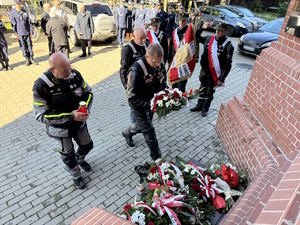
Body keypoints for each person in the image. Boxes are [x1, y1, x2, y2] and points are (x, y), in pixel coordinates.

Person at [32, 52, 94, 189]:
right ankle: (76, 176)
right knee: (68, 157)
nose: (69, 72)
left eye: (69, 67)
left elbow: (88, 92)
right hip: (60, 131)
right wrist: (71, 116)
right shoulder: (41, 86)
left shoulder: (75, 75)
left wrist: (86, 109)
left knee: (87, 145)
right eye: (64, 70)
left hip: (79, 124)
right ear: (53, 70)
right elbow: (41, 115)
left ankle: (80, 159)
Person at [122, 43, 164, 163]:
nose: (158, 65)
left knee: (143, 126)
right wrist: (149, 105)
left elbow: (161, 81)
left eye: (160, 62)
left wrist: (165, 94)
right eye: (155, 62)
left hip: (151, 101)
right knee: (149, 132)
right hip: (138, 105)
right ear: (147, 58)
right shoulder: (135, 71)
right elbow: (131, 98)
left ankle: (127, 132)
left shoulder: (158, 64)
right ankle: (158, 159)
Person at [190, 21, 234, 116]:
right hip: (204, 70)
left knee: (209, 92)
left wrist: (222, 78)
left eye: (220, 30)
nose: (217, 32)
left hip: (213, 73)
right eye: (217, 30)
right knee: (202, 89)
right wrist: (201, 28)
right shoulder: (209, 38)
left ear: (225, 31)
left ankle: (205, 109)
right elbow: (197, 38)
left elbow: (228, 65)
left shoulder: (228, 45)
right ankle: (199, 105)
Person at [120, 26, 147, 147]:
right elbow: (122, 71)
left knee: (145, 114)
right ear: (134, 37)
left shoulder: (146, 46)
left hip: (145, 88)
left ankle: (140, 129)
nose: (143, 40)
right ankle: (129, 133)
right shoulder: (127, 50)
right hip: (134, 90)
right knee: (135, 117)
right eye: (141, 38)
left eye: (144, 38)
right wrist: (128, 89)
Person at [10, 0, 38, 66]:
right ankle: (27, 59)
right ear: (15, 4)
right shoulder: (13, 13)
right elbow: (13, 25)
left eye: (19, 3)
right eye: (17, 4)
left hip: (27, 32)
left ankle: (31, 58)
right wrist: (16, 33)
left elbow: (29, 23)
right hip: (20, 34)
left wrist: (31, 32)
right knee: (23, 47)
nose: (19, 5)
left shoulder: (24, 11)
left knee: (30, 46)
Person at [168, 12, 189, 92]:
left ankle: (180, 102)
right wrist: (169, 61)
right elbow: (171, 48)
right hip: (174, 63)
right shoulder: (175, 32)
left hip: (183, 64)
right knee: (173, 86)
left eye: (183, 21)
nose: (181, 22)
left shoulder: (188, 32)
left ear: (187, 21)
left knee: (180, 87)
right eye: (180, 20)